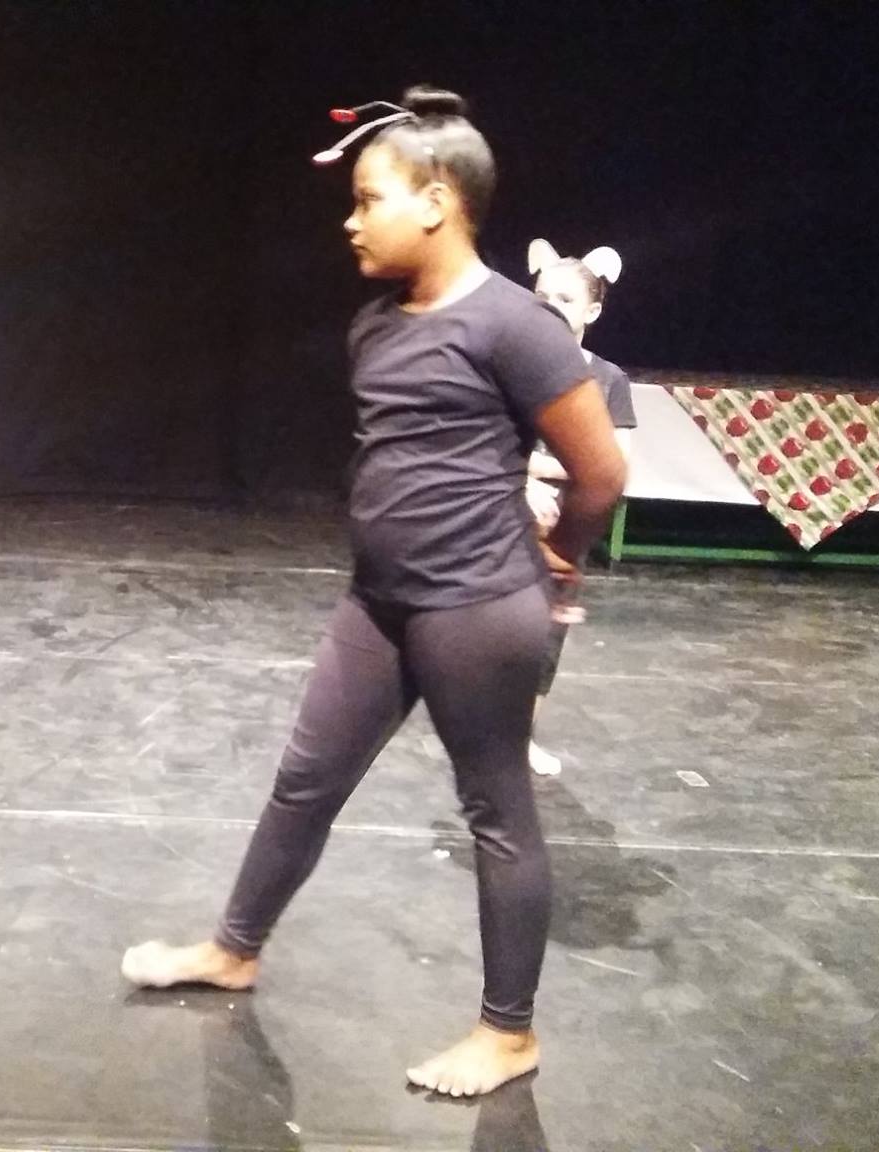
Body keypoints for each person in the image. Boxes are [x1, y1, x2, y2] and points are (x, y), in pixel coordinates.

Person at [120, 88, 627, 1098]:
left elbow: (600, 470)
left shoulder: (515, 325)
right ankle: (233, 948)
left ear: (436, 203)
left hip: (475, 609)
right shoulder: (374, 325)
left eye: (368, 200)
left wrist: (559, 555)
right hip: (379, 603)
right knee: (304, 780)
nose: (351, 222)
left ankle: (508, 1033)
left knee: (496, 811)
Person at [522, 238, 636, 776]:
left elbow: (617, 465)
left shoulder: (607, 381)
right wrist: (519, 479)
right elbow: (479, 445)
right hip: (503, 521)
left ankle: (518, 739)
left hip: (563, 535)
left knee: (545, 642)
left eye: (565, 299)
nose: (550, 307)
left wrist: (538, 467)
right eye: (542, 295)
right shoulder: (510, 366)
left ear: (592, 311)